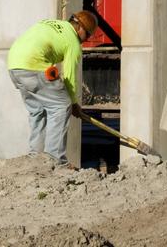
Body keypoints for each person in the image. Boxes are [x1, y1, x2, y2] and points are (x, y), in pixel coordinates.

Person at [7, 10, 98, 166]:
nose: (86, 40)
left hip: (14, 67)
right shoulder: (72, 42)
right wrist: (73, 103)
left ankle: (36, 157)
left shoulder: (52, 24)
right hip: (34, 66)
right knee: (61, 106)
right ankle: (55, 160)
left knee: (38, 111)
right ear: (81, 28)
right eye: (88, 35)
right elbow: (69, 76)